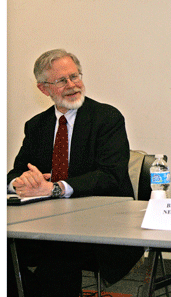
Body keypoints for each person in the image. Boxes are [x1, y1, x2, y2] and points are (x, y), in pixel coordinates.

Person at [7, 49, 144, 297]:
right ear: (44, 89)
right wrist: (20, 181)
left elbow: (110, 175)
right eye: (61, 80)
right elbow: (16, 172)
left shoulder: (106, 118)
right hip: (45, 224)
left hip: (100, 224)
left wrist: (56, 188)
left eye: (75, 76)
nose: (72, 85)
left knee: (57, 260)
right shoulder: (36, 125)